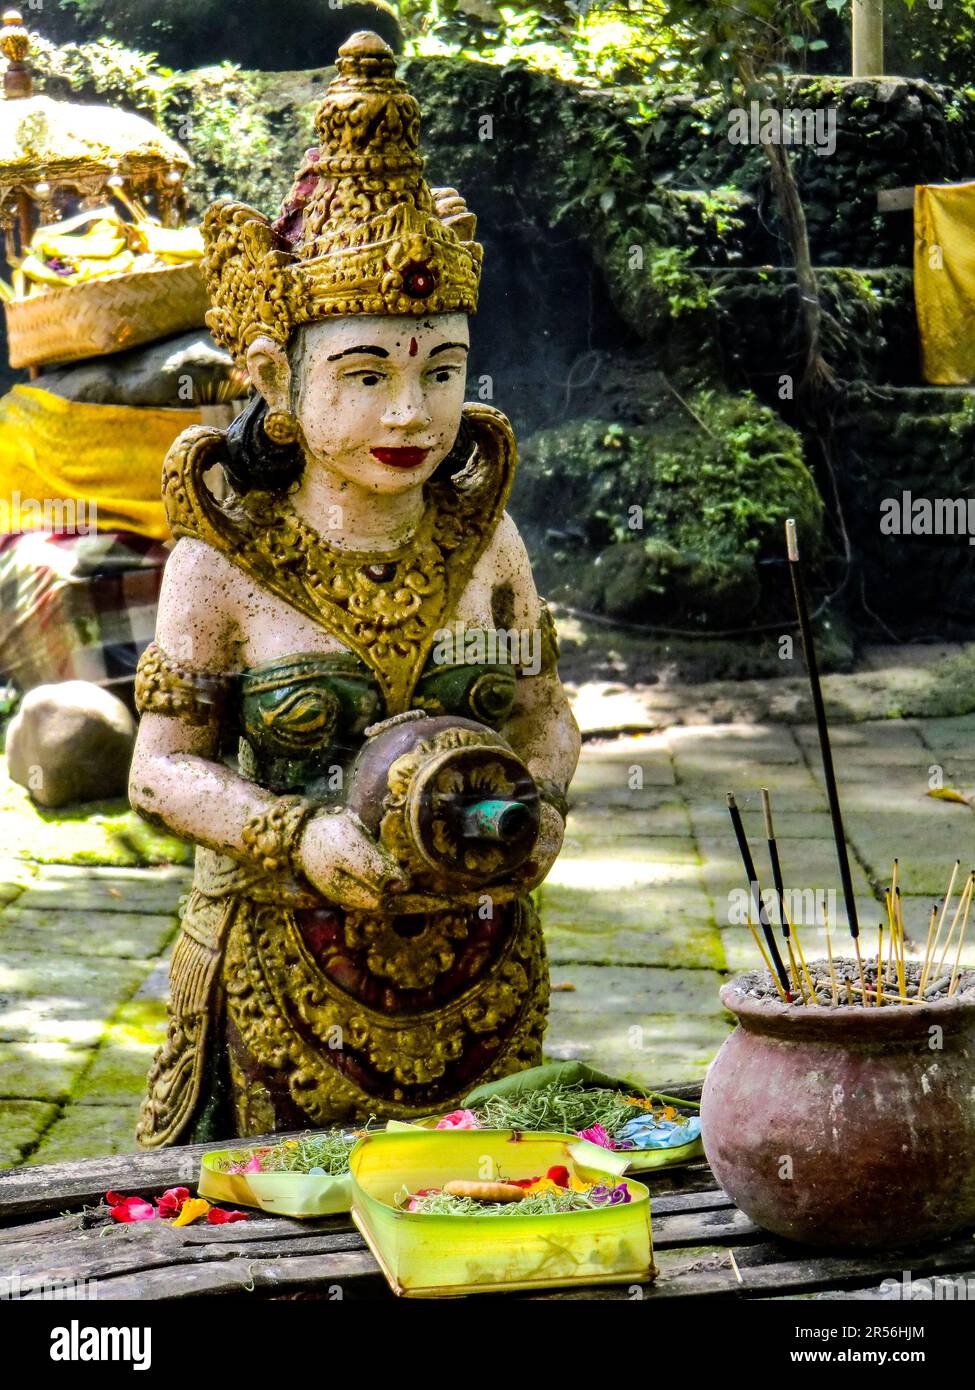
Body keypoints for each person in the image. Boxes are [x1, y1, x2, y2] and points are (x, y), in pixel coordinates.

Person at [131, 31, 580, 1145]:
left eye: (442, 371)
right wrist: (292, 834)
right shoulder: (223, 558)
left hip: (478, 950)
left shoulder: (488, 540)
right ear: (275, 377)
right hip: (283, 970)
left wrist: (543, 804)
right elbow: (161, 771)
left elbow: (544, 717)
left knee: (481, 1209)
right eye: (367, 373)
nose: (410, 415)